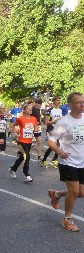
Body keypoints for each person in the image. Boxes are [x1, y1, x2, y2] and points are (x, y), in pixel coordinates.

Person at [47, 92, 84, 232]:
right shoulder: (64, 122)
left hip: (82, 161)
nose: (82, 105)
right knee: (74, 191)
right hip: (68, 161)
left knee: (81, 193)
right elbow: (50, 141)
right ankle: (67, 219)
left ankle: (56, 194)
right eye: (78, 102)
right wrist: (59, 152)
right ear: (70, 105)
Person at [8, 102, 38, 182]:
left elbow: (35, 128)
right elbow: (13, 125)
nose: (30, 110)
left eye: (31, 108)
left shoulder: (34, 119)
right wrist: (15, 133)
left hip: (29, 141)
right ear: (24, 110)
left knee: (22, 157)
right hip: (21, 141)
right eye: (28, 108)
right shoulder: (20, 118)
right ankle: (26, 174)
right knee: (27, 156)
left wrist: (35, 130)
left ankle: (12, 169)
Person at [40, 96, 62, 168]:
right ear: (53, 101)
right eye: (57, 100)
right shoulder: (49, 111)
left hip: (58, 131)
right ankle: (44, 160)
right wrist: (54, 121)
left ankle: (53, 160)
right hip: (51, 130)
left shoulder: (60, 110)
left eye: (59, 100)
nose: (59, 102)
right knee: (53, 146)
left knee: (58, 146)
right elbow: (46, 122)